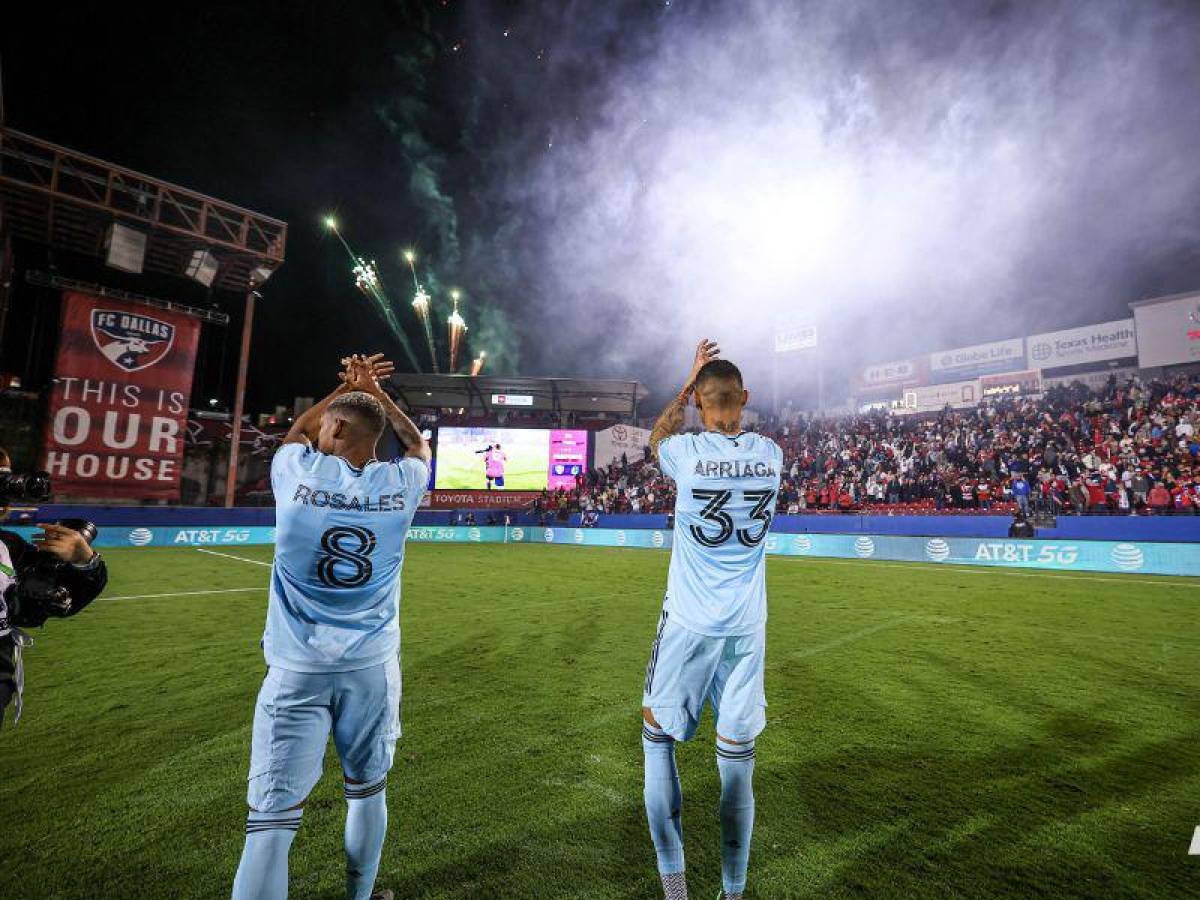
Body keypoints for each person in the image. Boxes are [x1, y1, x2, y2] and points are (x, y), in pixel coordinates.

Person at [231, 353, 432, 900]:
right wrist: (374, 395)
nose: (317, 431)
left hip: (295, 672)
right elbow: (416, 445)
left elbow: (298, 429)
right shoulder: (400, 486)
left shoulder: (296, 474)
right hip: (370, 670)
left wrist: (344, 388)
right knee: (367, 792)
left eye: (327, 424)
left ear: (336, 426)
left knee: (270, 826)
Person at [640, 339, 782, 900]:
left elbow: (657, 439)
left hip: (690, 623)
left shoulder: (688, 454)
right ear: (745, 398)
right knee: (737, 761)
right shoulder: (772, 454)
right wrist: (706, 388)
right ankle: (734, 890)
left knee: (657, 739)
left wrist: (685, 384)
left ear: (699, 404)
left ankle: (676, 892)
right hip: (746, 626)